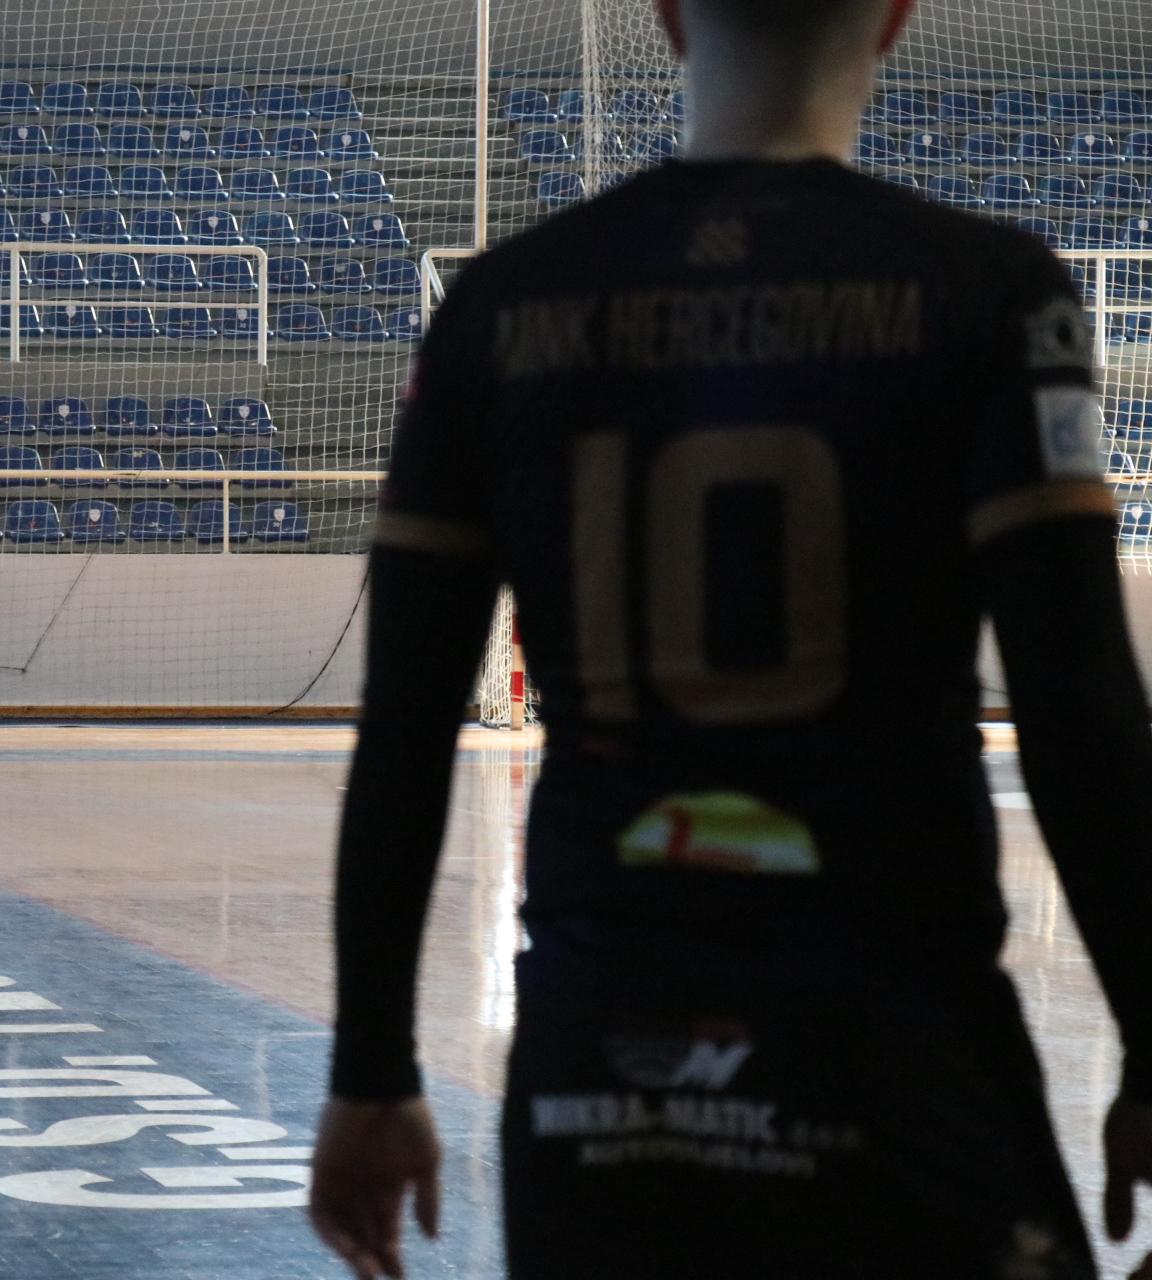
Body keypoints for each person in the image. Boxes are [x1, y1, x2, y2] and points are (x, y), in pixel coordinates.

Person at [309, 1, 1152, 1276]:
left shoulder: (501, 306)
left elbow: (406, 733)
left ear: (662, 13)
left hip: (607, 1061)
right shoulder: (988, 291)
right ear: (898, 17)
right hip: (898, 1049)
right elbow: (1082, 715)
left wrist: (370, 1070)